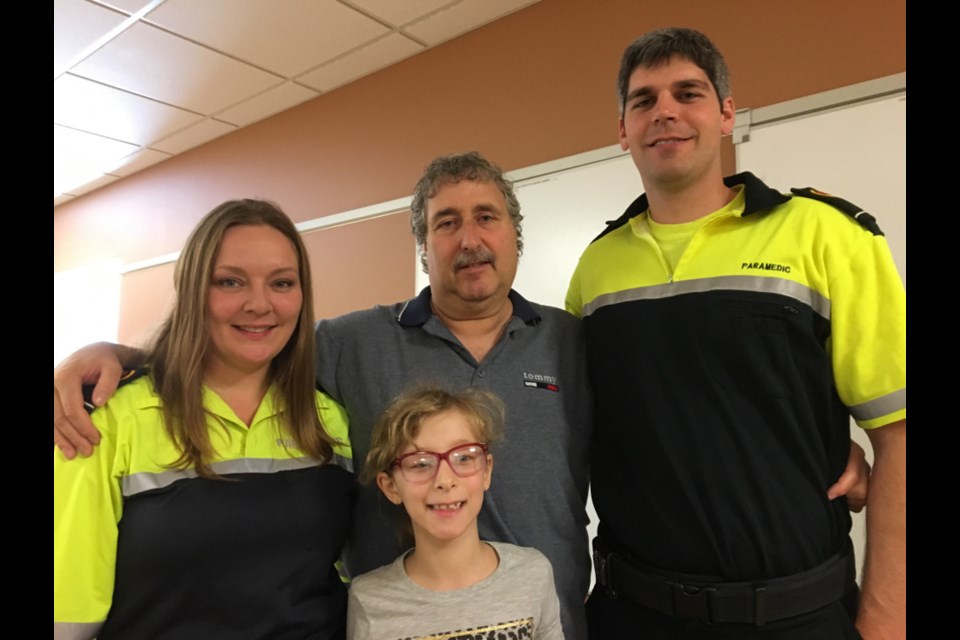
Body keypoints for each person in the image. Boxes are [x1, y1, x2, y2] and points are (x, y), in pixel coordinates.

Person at [53, 153, 871, 640]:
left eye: (486, 217)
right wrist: (118, 357)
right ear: (422, 244)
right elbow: (250, 345)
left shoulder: (576, 341)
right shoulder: (347, 346)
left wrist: (815, 447)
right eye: (445, 222)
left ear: (516, 235)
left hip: (545, 621)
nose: (468, 237)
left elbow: (681, 416)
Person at [565, 28, 906, 639]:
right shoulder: (596, 269)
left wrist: (886, 617)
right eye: (644, 101)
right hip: (631, 614)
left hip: (793, 616)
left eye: (687, 93)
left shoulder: (826, 235)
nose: (665, 111)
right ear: (623, 130)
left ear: (725, 114)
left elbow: (900, 435)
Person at [53, 199, 355, 640]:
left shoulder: (327, 418)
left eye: (282, 282)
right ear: (192, 290)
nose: (260, 304)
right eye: (230, 282)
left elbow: (343, 574)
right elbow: (69, 616)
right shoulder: (107, 419)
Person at [347, 385, 564, 640]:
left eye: (463, 457)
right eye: (420, 464)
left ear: (486, 471)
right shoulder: (370, 600)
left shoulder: (533, 574)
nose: (445, 480)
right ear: (391, 486)